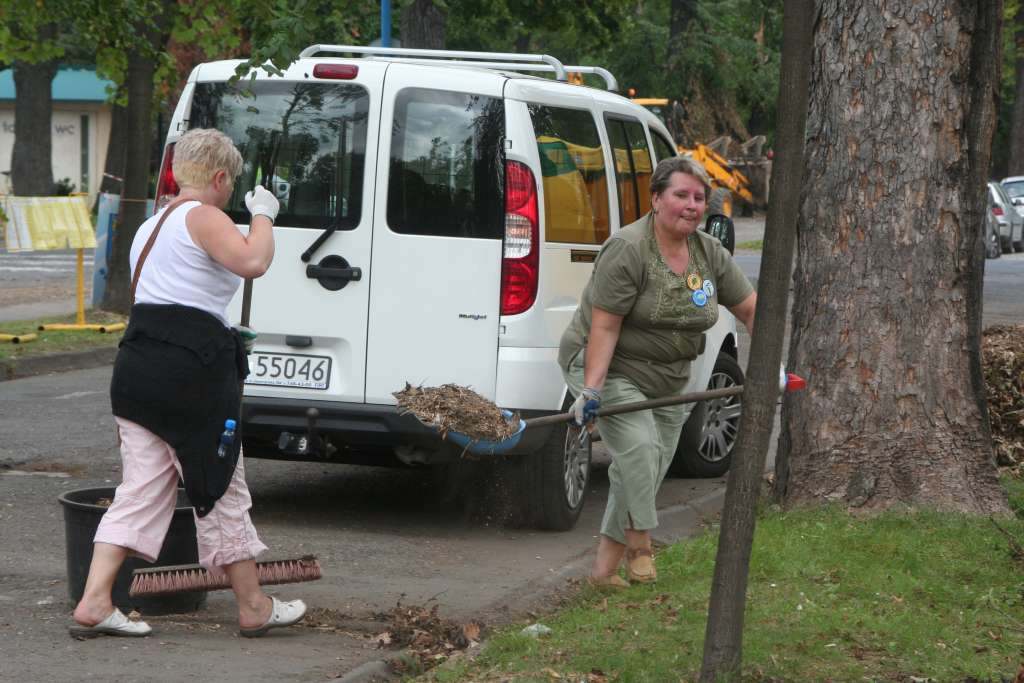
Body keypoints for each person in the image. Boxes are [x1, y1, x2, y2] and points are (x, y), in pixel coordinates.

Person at [70, 128, 306, 638]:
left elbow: (175, 298)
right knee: (218, 484)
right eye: (232, 183)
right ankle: (254, 607)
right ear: (220, 178)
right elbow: (253, 261)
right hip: (189, 379)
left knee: (140, 490)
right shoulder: (203, 215)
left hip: (137, 371)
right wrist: (264, 215)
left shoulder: (151, 226)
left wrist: (222, 329)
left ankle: (94, 600)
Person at [558, 156, 756, 588]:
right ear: (656, 199)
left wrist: (771, 365)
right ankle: (641, 545)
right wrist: (591, 390)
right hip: (607, 365)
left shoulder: (708, 252)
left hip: (669, 377)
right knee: (640, 450)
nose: (692, 205)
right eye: (681, 195)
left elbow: (750, 308)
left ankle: (602, 574)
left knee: (645, 470)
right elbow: (605, 327)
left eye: (699, 197)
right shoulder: (629, 249)